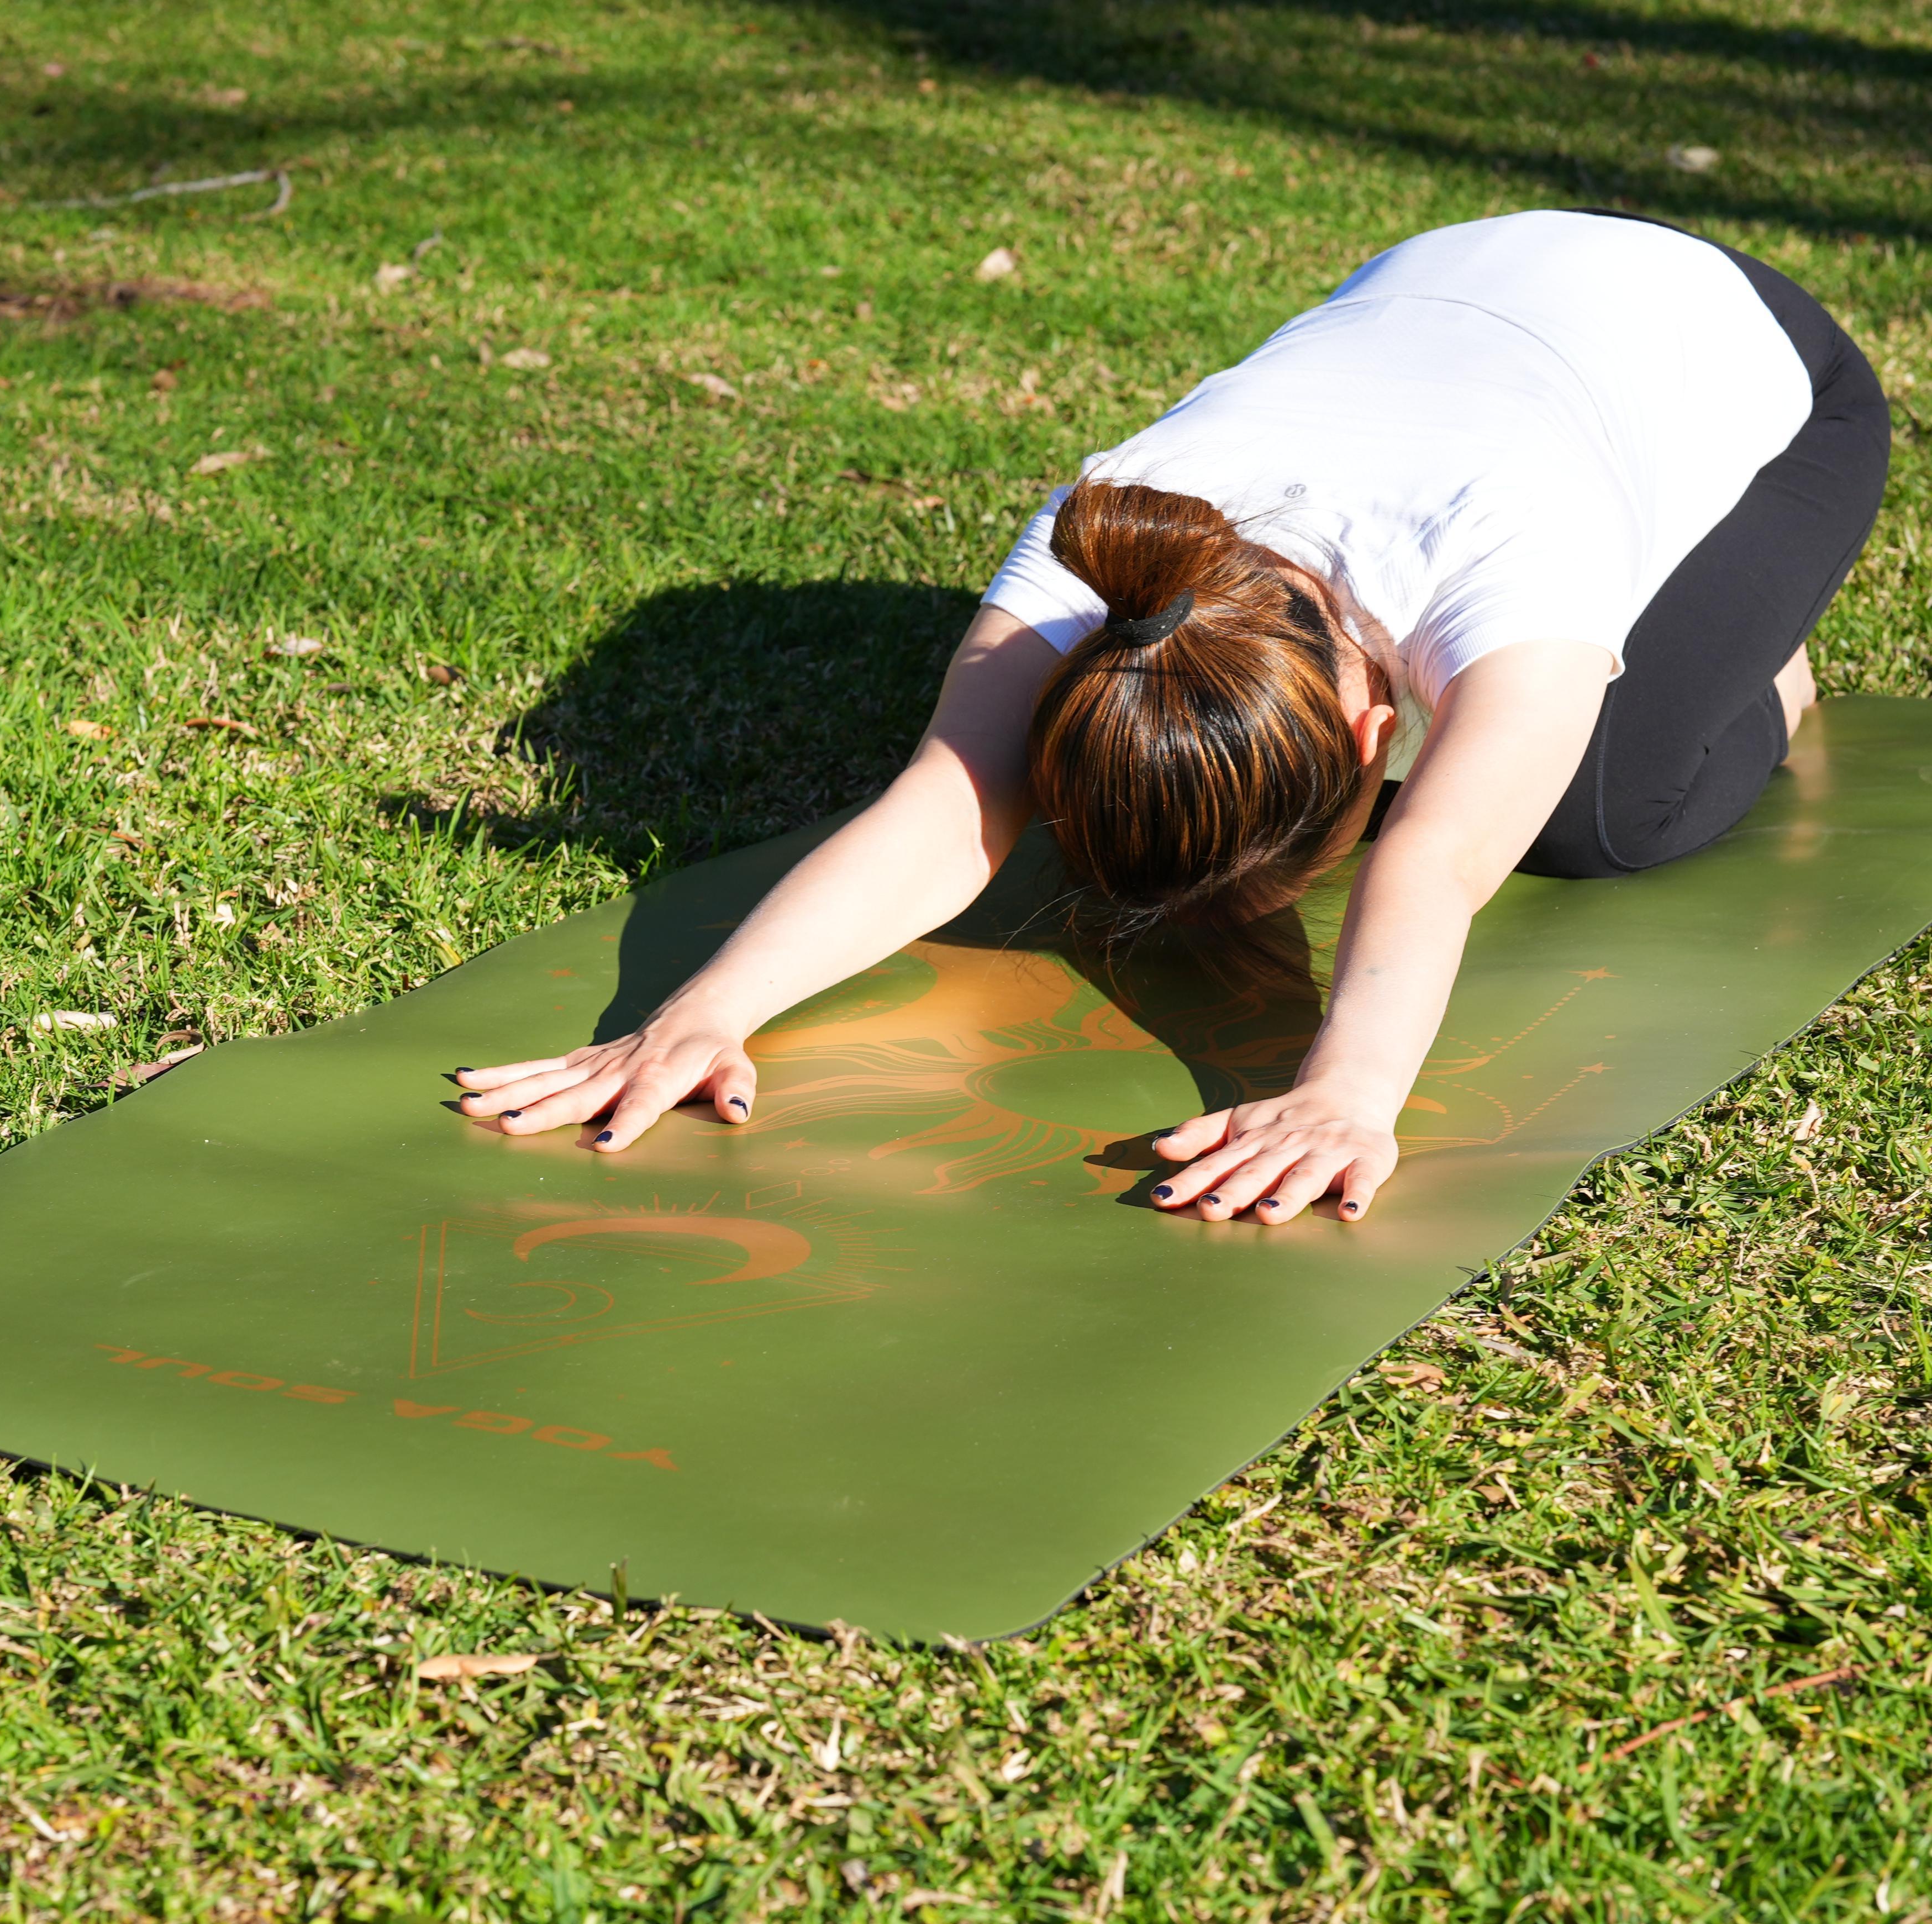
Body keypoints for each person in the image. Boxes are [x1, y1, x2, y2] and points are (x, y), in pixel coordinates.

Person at [454, 208, 1891, 1225]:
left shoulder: (1513, 581)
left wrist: (1345, 1095)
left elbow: (1437, 865)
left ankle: (1764, 662)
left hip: (1755, 356)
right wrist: (700, 1012)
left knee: (1596, 818)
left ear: (1380, 744)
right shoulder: (1101, 550)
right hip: (1467, 277)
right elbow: (942, 804)